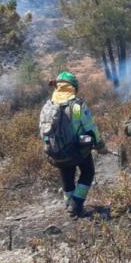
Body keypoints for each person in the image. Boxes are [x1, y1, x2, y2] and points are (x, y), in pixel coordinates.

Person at [39, 71, 106, 218]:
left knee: (67, 178)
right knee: (87, 173)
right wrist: (100, 145)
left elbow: (42, 131)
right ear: (73, 87)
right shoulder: (77, 106)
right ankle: (76, 204)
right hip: (76, 151)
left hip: (54, 152)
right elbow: (90, 127)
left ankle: (69, 205)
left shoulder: (47, 107)